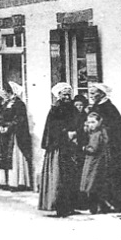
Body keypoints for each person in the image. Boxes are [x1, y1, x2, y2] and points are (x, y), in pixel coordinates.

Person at [87, 82, 121, 212]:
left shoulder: (108, 108)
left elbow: (114, 131)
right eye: (90, 93)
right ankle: (102, 205)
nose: (91, 95)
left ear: (101, 94)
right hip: (100, 148)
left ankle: (119, 205)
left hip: (112, 149)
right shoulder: (96, 107)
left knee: (113, 176)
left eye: (93, 93)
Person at [38, 83, 82, 217]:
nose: (67, 97)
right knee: (59, 178)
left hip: (71, 147)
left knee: (72, 177)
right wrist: (66, 134)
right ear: (59, 95)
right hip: (58, 148)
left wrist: (76, 133)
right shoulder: (55, 110)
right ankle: (60, 207)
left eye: (69, 94)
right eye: (64, 94)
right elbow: (52, 130)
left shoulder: (73, 109)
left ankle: (71, 206)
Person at [0, 82, 33, 189]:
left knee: (14, 157)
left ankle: (16, 182)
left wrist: (9, 127)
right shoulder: (5, 104)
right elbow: (0, 117)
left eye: (6, 91)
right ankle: (4, 181)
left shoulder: (19, 104)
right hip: (4, 134)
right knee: (3, 156)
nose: (4, 93)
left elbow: (20, 119)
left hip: (15, 135)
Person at [80, 112, 111, 214]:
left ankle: (95, 207)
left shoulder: (97, 135)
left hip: (94, 162)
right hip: (96, 161)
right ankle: (102, 206)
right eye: (89, 122)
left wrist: (84, 148)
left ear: (99, 122)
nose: (91, 125)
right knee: (95, 185)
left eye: (93, 122)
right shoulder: (99, 132)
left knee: (92, 184)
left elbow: (93, 149)